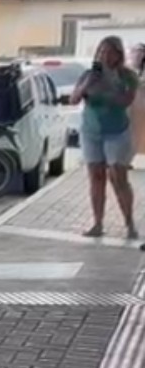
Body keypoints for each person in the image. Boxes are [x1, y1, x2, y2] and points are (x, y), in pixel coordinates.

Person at [72, 35, 139, 239]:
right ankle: (97, 223)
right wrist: (87, 86)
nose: (104, 56)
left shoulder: (127, 76)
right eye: (101, 51)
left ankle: (129, 224)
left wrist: (109, 87)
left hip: (116, 132)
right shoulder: (89, 74)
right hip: (91, 131)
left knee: (118, 177)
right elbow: (74, 99)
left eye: (109, 52)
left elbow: (125, 101)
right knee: (96, 176)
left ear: (118, 55)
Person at [130, 42, 145, 159]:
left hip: (141, 106)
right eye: (135, 51)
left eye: (141, 52)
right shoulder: (127, 69)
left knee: (137, 134)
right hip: (129, 107)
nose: (138, 55)